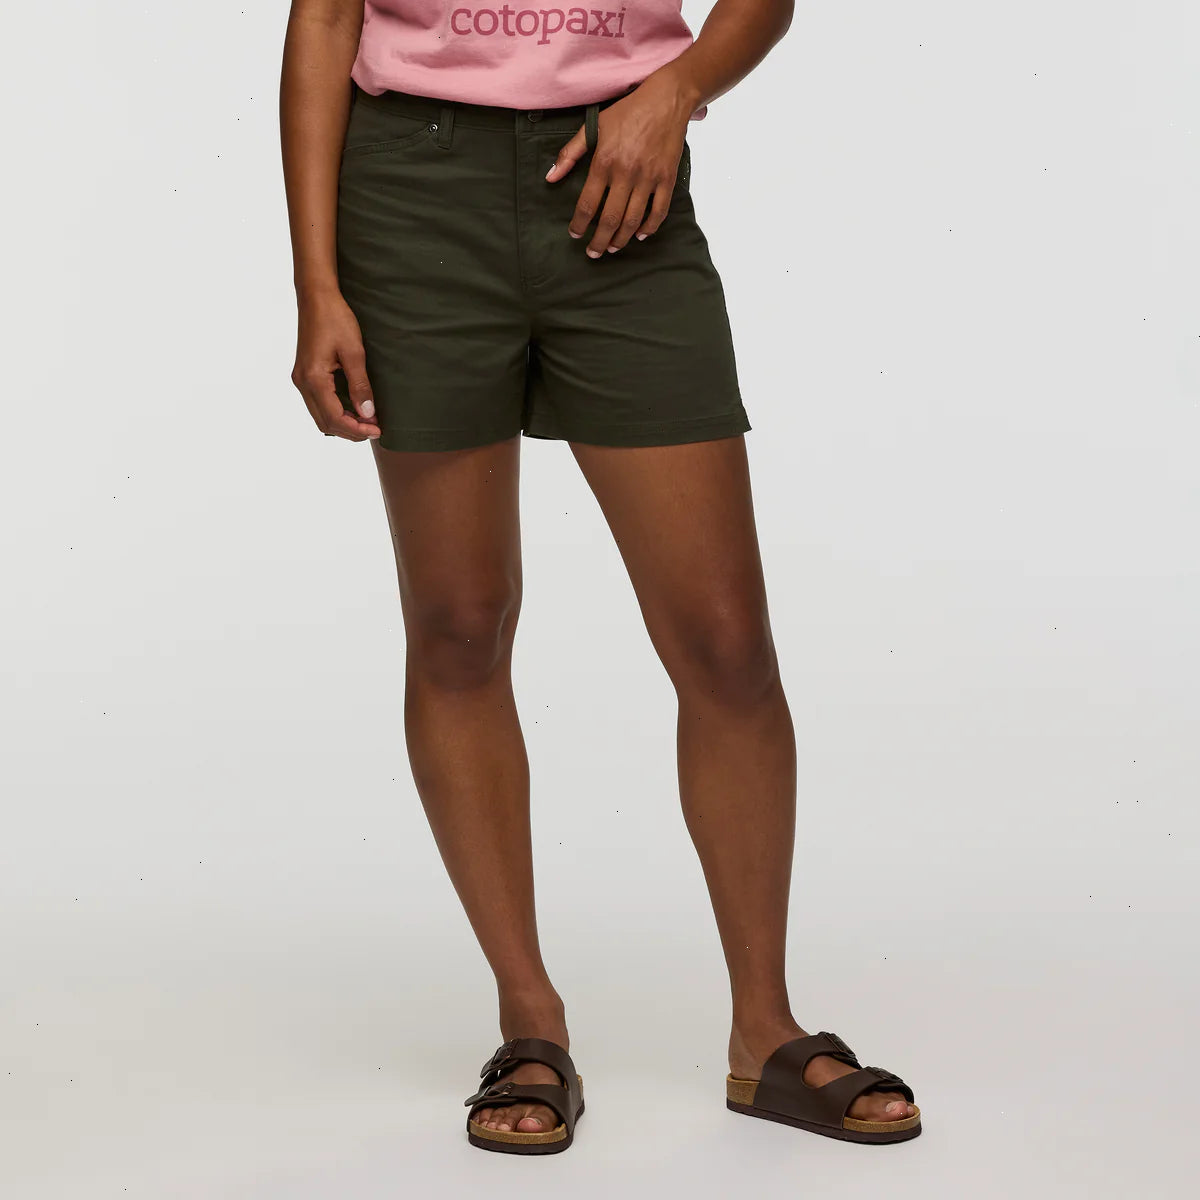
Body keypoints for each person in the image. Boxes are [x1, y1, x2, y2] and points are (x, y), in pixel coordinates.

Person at [279, 0, 921, 1156]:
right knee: (460, 626)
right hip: (411, 194)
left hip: (625, 186)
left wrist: (676, 90)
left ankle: (766, 1033)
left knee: (726, 643)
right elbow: (325, 17)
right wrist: (316, 286)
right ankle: (530, 1020)